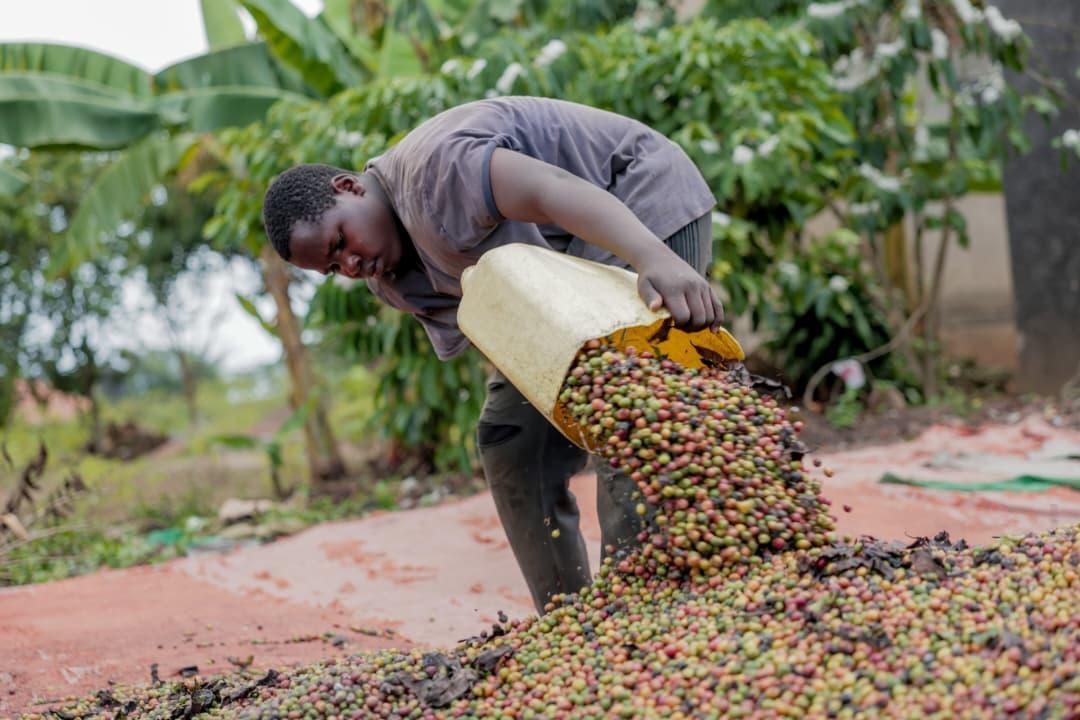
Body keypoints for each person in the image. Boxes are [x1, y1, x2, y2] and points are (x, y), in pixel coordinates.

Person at [261, 96, 723, 613]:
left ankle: (642, 612)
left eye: (339, 241)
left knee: (626, 403)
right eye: (332, 268)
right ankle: (569, 622)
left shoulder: (436, 171)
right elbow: (512, 332)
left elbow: (554, 191)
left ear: (349, 188)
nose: (349, 264)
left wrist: (655, 257)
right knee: (512, 440)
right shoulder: (394, 281)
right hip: (565, 280)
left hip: (636, 200)